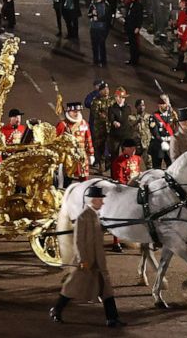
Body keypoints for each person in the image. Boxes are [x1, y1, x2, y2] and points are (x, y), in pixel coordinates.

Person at [50, 185, 125, 327]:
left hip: (97, 261)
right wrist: (83, 260)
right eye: (100, 200)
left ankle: (112, 318)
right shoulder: (83, 217)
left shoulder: (94, 215)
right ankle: (56, 310)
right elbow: (78, 241)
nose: (103, 202)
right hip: (86, 261)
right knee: (71, 288)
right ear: (94, 200)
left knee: (107, 290)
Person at [109, 139, 142, 252]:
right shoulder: (119, 162)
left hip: (135, 190)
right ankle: (116, 242)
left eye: (135, 148)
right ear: (125, 149)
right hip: (123, 191)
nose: (134, 150)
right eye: (132, 148)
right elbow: (119, 179)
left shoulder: (137, 159)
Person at [55, 102, 93, 182]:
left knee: (84, 178)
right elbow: (56, 141)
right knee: (66, 178)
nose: (76, 113)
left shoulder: (84, 123)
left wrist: (91, 154)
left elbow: (88, 139)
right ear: (68, 112)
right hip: (68, 157)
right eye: (74, 111)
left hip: (82, 156)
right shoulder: (62, 125)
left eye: (78, 111)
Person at [87, 0, 110, 66]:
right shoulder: (93, 4)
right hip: (94, 27)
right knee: (94, 45)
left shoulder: (105, 4)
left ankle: (103, 61)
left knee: (101, 44)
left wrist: (98, 19)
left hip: (101, 28)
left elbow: (107, 17)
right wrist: (91, 16)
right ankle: (95, 60)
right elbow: (89, 14)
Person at [124, 0, 143, 65]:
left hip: (134, 26)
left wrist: (138, 27)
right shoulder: (130, 3)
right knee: (132, 44)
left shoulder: (138, 5)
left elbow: (139, 17)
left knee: (134, 45)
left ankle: (135, 60)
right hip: (129, 26)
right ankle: (132, 59)